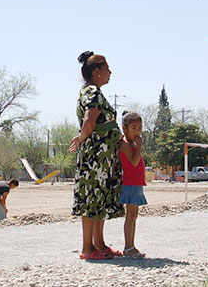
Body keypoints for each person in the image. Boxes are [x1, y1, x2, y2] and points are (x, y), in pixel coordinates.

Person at [69, 51, 124, 260]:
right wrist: (81, 138)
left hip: (103, 158)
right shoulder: (92, 92)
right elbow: (90, 121)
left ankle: (99, 244)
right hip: (95, 158)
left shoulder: (94, 92)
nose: (110, 72)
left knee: (100, 198)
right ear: (97, 71)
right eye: (107, 68)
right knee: (92, 199)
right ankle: (87, 248)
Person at [118, 111, 147, 259]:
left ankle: (131, 245)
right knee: (130, 215)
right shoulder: (125, 143)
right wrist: (140, 146)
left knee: (134, 215)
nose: (137, 131)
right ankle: (128, 247)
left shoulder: (132, 142)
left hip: (136, 182)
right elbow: (134, 162)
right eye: (134, 128)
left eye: (140, 128)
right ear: (125, 128)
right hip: (130, 183)